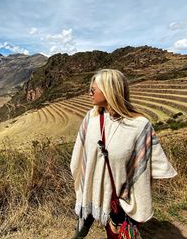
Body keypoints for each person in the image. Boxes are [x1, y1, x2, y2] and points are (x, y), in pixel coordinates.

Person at [70, 69, 177, 238]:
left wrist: (128, 188)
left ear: (109, 91)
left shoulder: (140, 126)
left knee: (115, 234)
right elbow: (80, 153)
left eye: (93, 89)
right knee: (80, 230)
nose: (89, 93)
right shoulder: (91, 117)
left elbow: (145, 167)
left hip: (118, 198)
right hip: (91, 188)